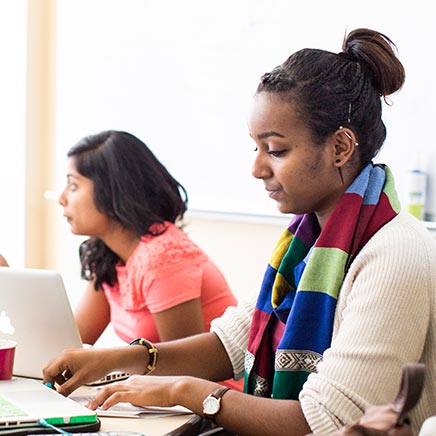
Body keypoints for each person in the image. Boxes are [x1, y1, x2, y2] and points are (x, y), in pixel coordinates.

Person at [43, 29, 436, 436]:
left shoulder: (391, 255)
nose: (258, 169)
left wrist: (185, 391)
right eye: (257, 148)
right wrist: (114, 361)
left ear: (340, 147)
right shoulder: (307, 244)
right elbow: (228, 344)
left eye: (277, 150)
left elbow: (322, 423)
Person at [57, 130, 239, 351]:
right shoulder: (107, 254)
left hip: (205, 385)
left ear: (112, 190)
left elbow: (184, 371)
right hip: (153, 383)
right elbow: (71, 345)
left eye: (73, 185)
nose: (62, 198)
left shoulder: (164, 255)